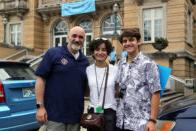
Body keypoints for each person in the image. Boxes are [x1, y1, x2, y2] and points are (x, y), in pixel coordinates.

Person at [35, 26, 89, 131]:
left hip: (75, 117)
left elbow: (85, 88)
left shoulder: (85, 61)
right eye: (74, 36)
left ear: (84, 40)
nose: (77, 39)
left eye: (81, 37)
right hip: (55, 116)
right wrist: (40, 107)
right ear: (68, 37)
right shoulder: (53, 53)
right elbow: (40, 79)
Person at [116, 28, 161, 131]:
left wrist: (152, 120)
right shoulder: (120, 64)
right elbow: (119, 88)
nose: (128, 43)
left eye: (131, 40)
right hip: (120, 122)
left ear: (138, 41)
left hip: (140, 124)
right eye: (124, 41)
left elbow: (155, 93)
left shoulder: (148, 64)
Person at [86, 38, 118, 131]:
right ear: (93, 52)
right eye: (97, 49)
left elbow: (118, 89)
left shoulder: (115, 70)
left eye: (103, 50)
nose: (100, 52)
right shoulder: (88, 70)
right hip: (93, 111)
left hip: (110, 112)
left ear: (108, 52)